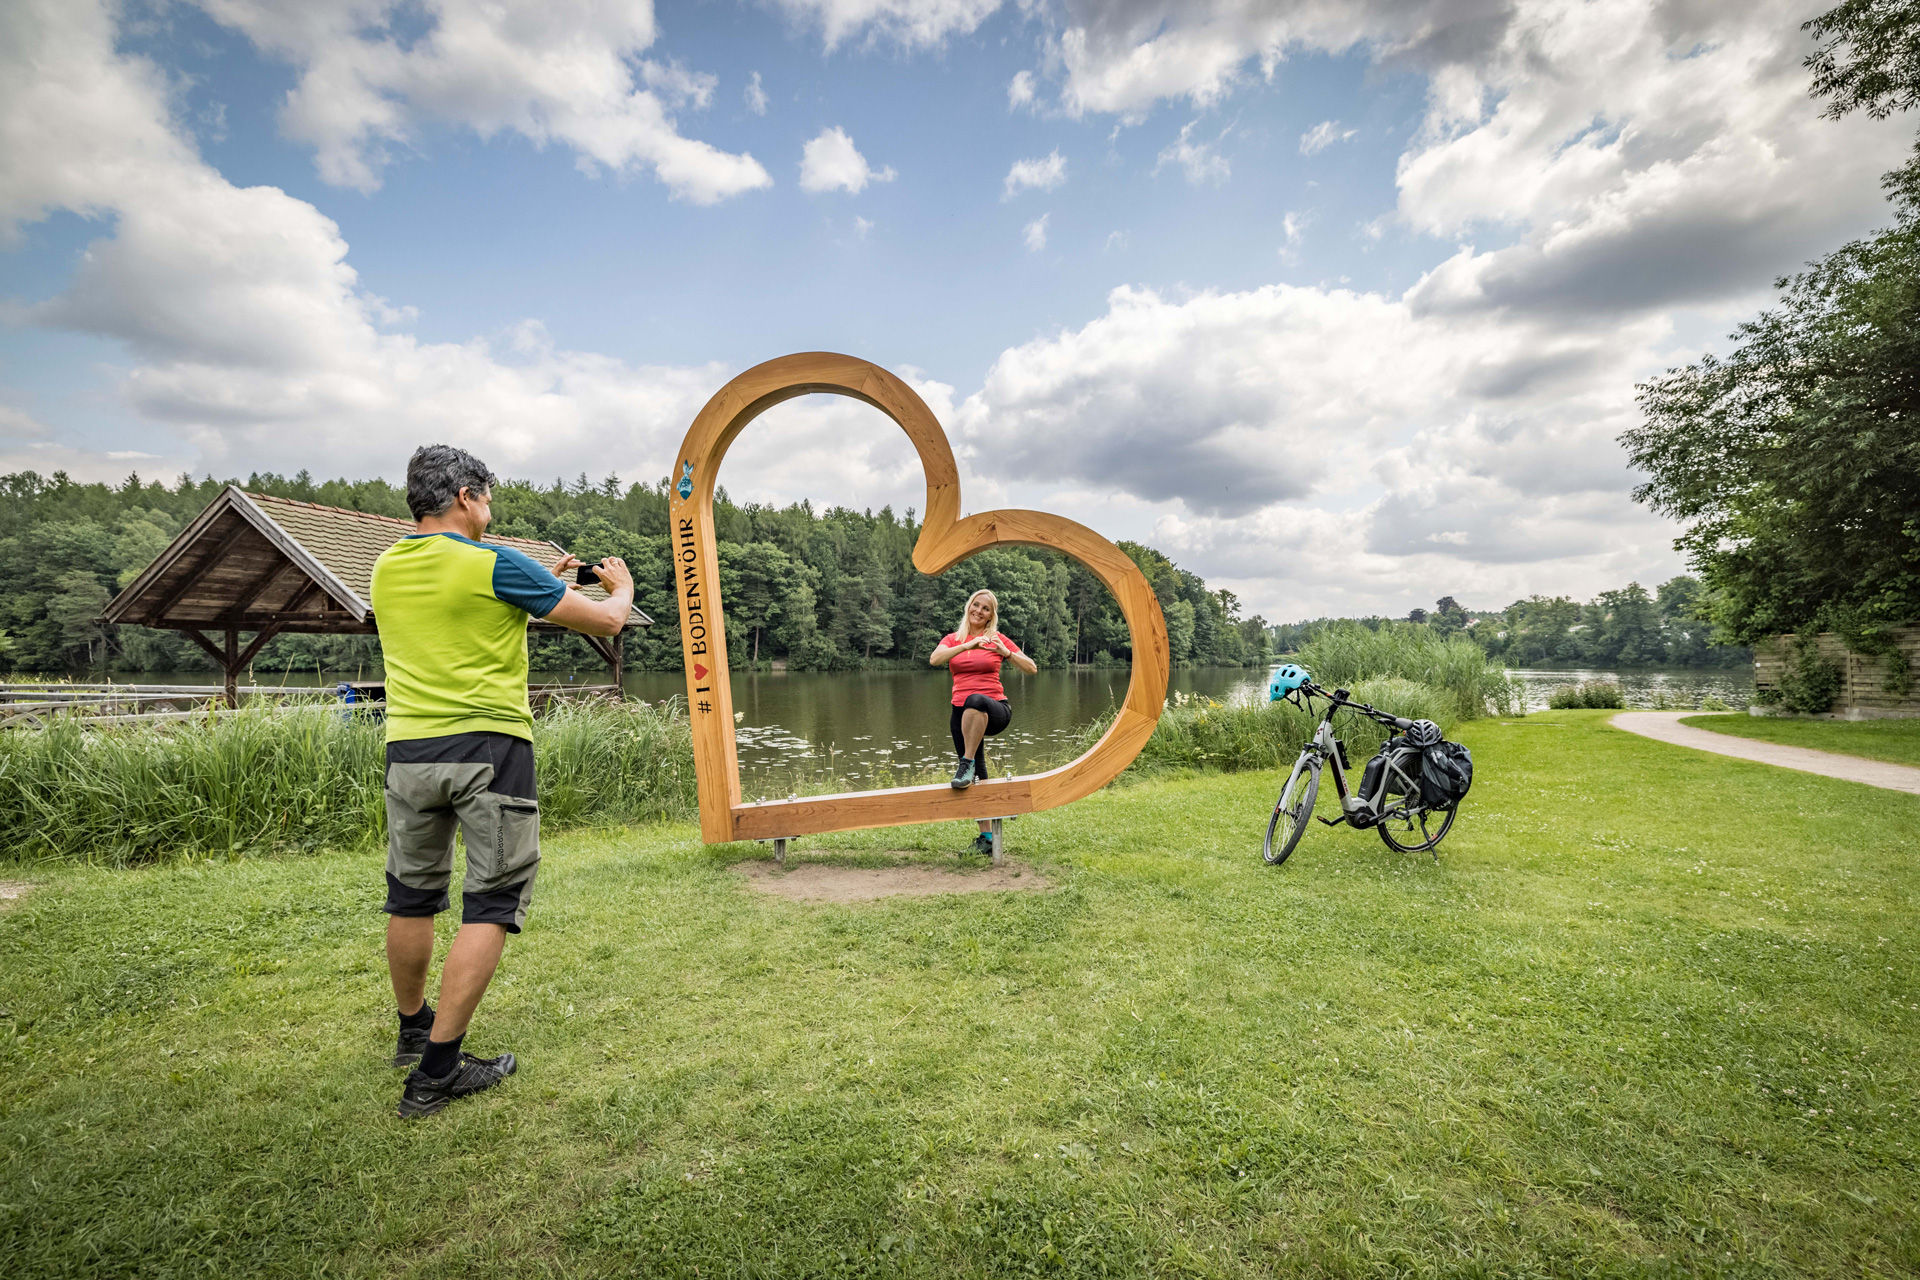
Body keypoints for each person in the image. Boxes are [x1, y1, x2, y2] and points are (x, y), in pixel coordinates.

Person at [372, 444, 635, 1119]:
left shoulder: (387, 565)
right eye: (486, 499)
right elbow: (606, 623)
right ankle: (437, 1071)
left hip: (408, 751)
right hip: (488, 747)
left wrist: (539, 586)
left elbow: (467, 618)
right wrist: (620, 586)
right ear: (465, 495)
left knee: (412, 894)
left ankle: (411, 1029)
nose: (490, 511)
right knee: (491, 899)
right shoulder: (494, 563)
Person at [929, 588, 1038, 855]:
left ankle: (963, 764)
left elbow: (1032, 668)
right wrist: (967, 644)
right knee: (976, 773)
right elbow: (934, 659)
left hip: (996, 709)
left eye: (985, 608)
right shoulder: (953, 639)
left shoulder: (997, 639)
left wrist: (1007, 653)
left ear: (991, 616)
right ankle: (987, 839)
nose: (979, 610)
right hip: (962, 714)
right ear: (969, 607)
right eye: (975, 605)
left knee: (976, 699)